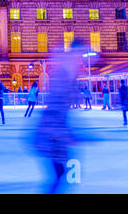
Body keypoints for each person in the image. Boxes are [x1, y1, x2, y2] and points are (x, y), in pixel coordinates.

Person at [33, 40, 82, 194]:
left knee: (63, 173)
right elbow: (55, 112)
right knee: (63, 173)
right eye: (79, 55)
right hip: (51, 136)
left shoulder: (66, 75)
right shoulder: (63, 76)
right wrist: (68, 136)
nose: (81, 60)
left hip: (54, 136)